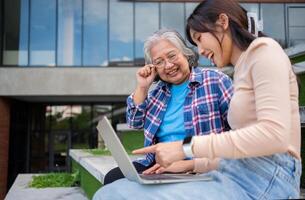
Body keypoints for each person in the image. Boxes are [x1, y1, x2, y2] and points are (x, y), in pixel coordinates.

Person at [93, 0, 302, 199]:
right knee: (111, 189)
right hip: (229, 169)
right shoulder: (241, 68)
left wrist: (185, 149)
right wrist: (192, 164)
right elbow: (134, 122)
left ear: (223, 22)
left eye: (199, 39)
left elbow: (273, 135)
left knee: (113, 195)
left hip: (265, 176)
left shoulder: (263, 51)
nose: (200, 50)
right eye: (159, 62)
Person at [102, 29, 233, 185]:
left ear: (186, 54)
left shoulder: (215, 80)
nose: (168, 65)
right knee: (113, 178)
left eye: (172, 56)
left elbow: (238, 134)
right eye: (159, 62)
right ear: (154, 67)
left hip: (199, 166)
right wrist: (143, 87)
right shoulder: (158, 92)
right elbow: (134, 122)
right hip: (158, 166)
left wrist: (190, 164)